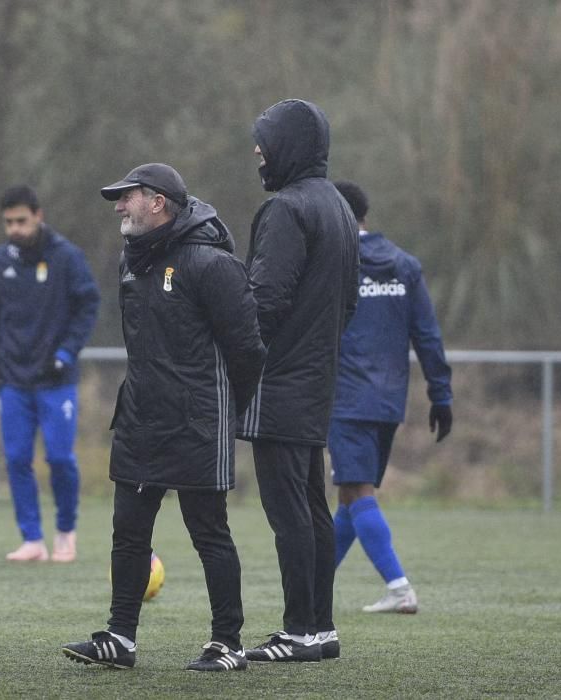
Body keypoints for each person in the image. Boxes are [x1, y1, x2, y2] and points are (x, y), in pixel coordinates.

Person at [62, 163, 266, 672]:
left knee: (208, 532)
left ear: (157, 202)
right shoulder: (133, 261)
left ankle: (228, 644)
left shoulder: (211, 264)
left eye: (126, 196)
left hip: (197, 420)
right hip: (140, 419)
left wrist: (219, 406)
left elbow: (248, 350)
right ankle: (120, 638)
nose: (118, 206)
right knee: (128, 532)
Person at [237, 100, 360, 663]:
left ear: (286, 144)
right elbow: (349, 303)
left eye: (264, 141)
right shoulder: (337, 205)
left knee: (291, 513)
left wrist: (237, 355)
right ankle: (321, 629)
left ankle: (299, 631)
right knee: (314, 509)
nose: (258, 151)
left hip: (278, 384)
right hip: (317, 382)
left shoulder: (287, 209)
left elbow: (264, 301)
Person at [330, 181, 453, 614]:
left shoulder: (334, 266)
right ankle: (313, 586)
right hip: (387, 400)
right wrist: (441, 395)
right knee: (349, 495)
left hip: (346, 397)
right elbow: (428, 335)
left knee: (358, 490)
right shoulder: (404, 265)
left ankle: (399, 587)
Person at [0, 186, 100, 563]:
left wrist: (65, 353)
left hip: (56, 379)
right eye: (8, 222)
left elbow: (89, 305)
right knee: (16, 459)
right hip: (14, 380)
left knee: (61, 459)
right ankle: (32, 538)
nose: (14, 228)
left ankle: (66, 533)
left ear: (38, 215)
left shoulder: (66, 257)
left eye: (21, 221)